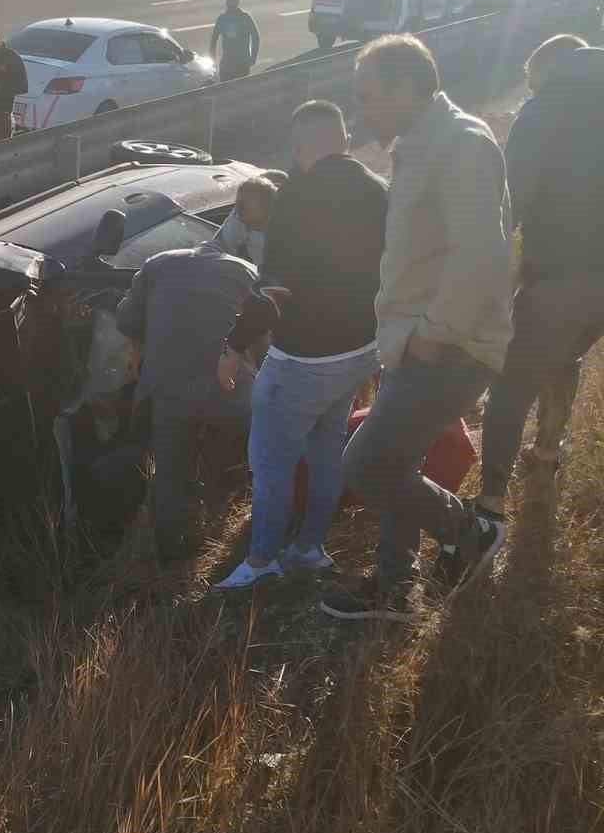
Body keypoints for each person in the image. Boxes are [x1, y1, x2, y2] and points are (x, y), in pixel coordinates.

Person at [320, 34, 512, 622]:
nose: (362, 113)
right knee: (397, 460)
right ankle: (395, 586)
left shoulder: (460, 143)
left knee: (366, 466)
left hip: (445, 345)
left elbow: (481, 252)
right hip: (414, 339)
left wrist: (433, 330)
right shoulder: (421, 145)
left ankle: (470, 532)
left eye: (370, 97)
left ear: (407, 87)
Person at [213, 101, 387, 590]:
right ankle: (309, 547)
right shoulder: (379, 189)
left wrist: (234, 344)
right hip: (358, 350)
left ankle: (264, 558)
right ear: (344, 138)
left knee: (270, 461)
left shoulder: (297, 197)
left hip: (304, 358)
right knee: (326, 449)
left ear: (301, 144)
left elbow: (275, 289)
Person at [477, 41, 604, 522]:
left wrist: (486, 271)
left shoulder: (545, 111)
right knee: (565, 353)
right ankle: (548, 451)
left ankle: (488, 505)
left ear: (548, 71)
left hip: (561, 272)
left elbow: (512, 202)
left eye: (531, 80)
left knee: (510, 384)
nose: (530, 89)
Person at [115, 241, 258, 562]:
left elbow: (125, 320)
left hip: (168, 388)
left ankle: (169, 553)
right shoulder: (247, 271)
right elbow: (264, 337)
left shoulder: (156, 263)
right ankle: (240, 540)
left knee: (168, 472)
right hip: (229, 388)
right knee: (251, 459)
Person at [216, 172, 286, 269]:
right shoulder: (239, 216)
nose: (238, 208)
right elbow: (218, 245)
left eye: (244, 204)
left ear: (266, 206)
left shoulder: (287, 230)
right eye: (238, 203)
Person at [210, 0, 261, 82]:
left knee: (239, 91)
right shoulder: (223, 19)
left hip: (241, 64)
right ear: (226, 2)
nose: (231, 4)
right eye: (230, 1)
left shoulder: (244, 18)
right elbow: (213, 41)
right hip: (228, 64)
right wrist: (213, 61)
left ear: (237, 2)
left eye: (233, 1)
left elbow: (256, 37)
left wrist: (253, 57)